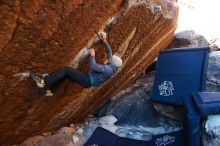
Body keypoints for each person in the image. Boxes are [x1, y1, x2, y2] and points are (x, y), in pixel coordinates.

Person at [30, 32, 122, 96]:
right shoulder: (113, 65)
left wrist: (92, 55)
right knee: (66, 75)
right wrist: (104, 41)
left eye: (111, 59)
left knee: (66, 69)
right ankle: (50, 91)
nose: (110, 59)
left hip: (87, 80)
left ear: (113, 63)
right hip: (88, 80)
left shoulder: (108, 69)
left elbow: (93, 66)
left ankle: (43, 82)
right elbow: (109, 52)